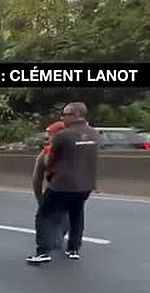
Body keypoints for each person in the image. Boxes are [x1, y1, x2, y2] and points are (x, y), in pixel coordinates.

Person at [27, 102, 99, 264]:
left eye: (65, 114)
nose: (62, 117)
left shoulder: (62, 136)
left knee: (44, 215)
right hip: (86, 185)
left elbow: (51, 162)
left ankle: (43, 251)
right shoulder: (95, 134)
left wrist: (51, 175)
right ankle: (73, 249)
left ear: (76, 115)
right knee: (77, 214)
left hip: (62, 184)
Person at [32, 121, 69, 251]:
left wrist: (40, 200)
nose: (48, 137)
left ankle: (45, 246)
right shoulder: (77, 150)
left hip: (55, 189)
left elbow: (37, 178)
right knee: (67, 213)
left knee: (44, 216)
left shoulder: (47, 151)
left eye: (50, 134)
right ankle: (61, 238)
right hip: (75, 189)